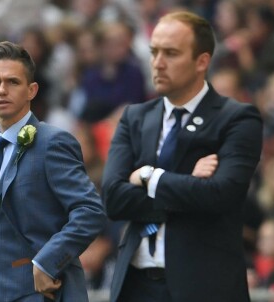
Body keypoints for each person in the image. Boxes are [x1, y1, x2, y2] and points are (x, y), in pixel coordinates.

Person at [101, 11, 263, 302]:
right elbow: (113, 199)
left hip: (204, 287)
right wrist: (188, 183)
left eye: (171, 53)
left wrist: (149, 176)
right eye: (154, 52)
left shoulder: (237, 118)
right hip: (135, 286)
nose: (158, 63)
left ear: (202, 61)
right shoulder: (135, 117)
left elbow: (219, 195)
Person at [0, 41, 106, 302]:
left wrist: (47, 262)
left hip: (39, 294)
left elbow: (90, 211)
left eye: (13, 82)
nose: (2, 90)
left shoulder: (53, 142)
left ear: (32, 90)